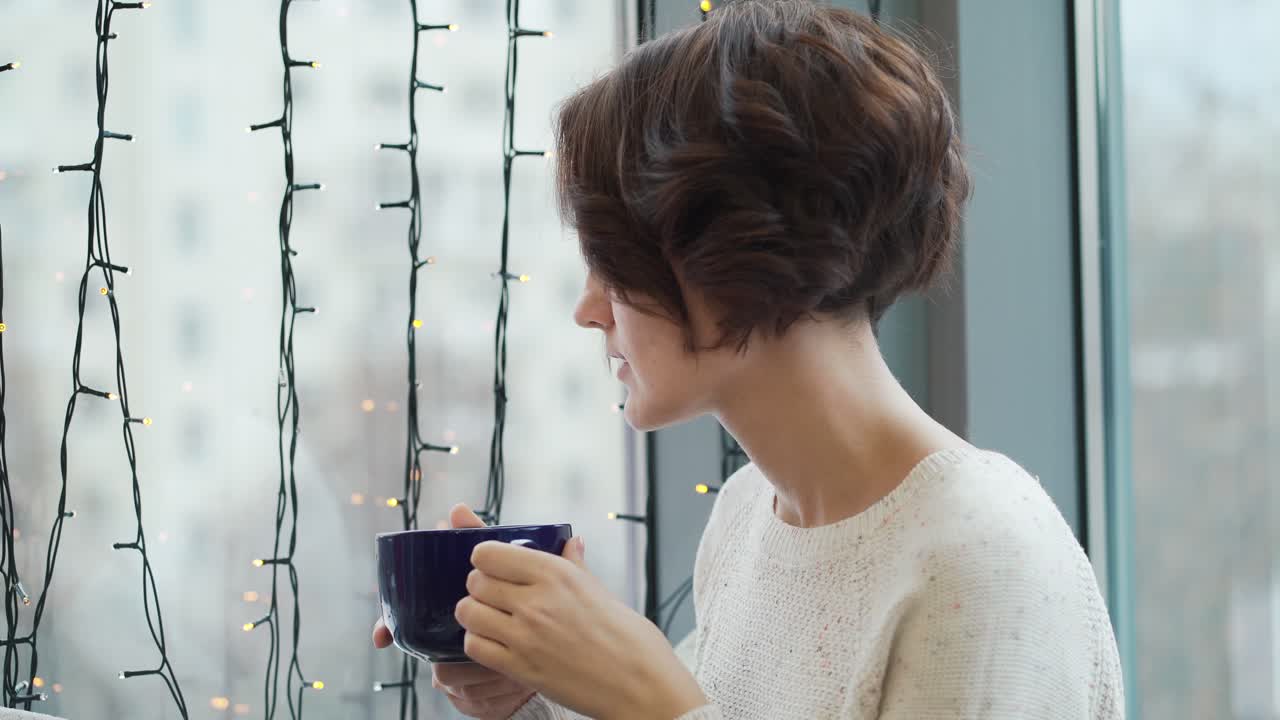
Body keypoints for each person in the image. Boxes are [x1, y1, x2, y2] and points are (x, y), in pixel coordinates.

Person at [373, 0, 1125, 717]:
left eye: (613, 263)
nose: (589, 308)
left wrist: (648, 699)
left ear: (735, 257)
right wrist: (533, 697)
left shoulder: (981, 558)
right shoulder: (746, 517)